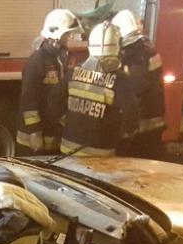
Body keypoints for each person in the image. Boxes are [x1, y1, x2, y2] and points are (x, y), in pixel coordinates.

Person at [60, 21, 139, 157]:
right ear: (117, 47)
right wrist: (125, 133)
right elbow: (131, 113)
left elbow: (53, 101)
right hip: (101, 153)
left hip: (68, 148)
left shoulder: (73, 72)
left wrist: (66, 121)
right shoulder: (120, 79)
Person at [17, 9, 82, 154]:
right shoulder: (37, 61)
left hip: (51, 130)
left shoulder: (60, 57)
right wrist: (34, 131)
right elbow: (29, 98)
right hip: (34, 138)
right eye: (67, 34)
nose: (70, 37)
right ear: (56, 33)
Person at [111, 9, 166, 159]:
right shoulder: (146, 48)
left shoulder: (136, 54)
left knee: (135, 165)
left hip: (142, 124)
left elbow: (136, 88)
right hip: (152, 121)